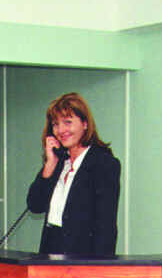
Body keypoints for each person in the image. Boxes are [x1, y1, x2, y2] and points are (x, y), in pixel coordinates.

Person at [27, 93, 121, 256]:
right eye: (55, 124)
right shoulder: (59, 163)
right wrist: (50, 164)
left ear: (85, 124)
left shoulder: (104, 164)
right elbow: (35, 205)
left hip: (83, 258)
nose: (61, 130)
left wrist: (101, 268)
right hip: (49, 253)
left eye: (67, 122)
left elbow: (106, 226)